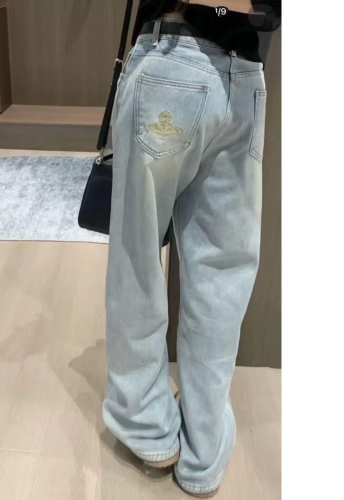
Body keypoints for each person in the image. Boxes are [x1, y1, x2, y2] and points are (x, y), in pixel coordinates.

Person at [103, 1, 281, 497]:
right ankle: (203, 449)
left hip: (172, 57)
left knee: (137, 260)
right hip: (244, 77)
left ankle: (147, 425)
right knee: (221, 277)